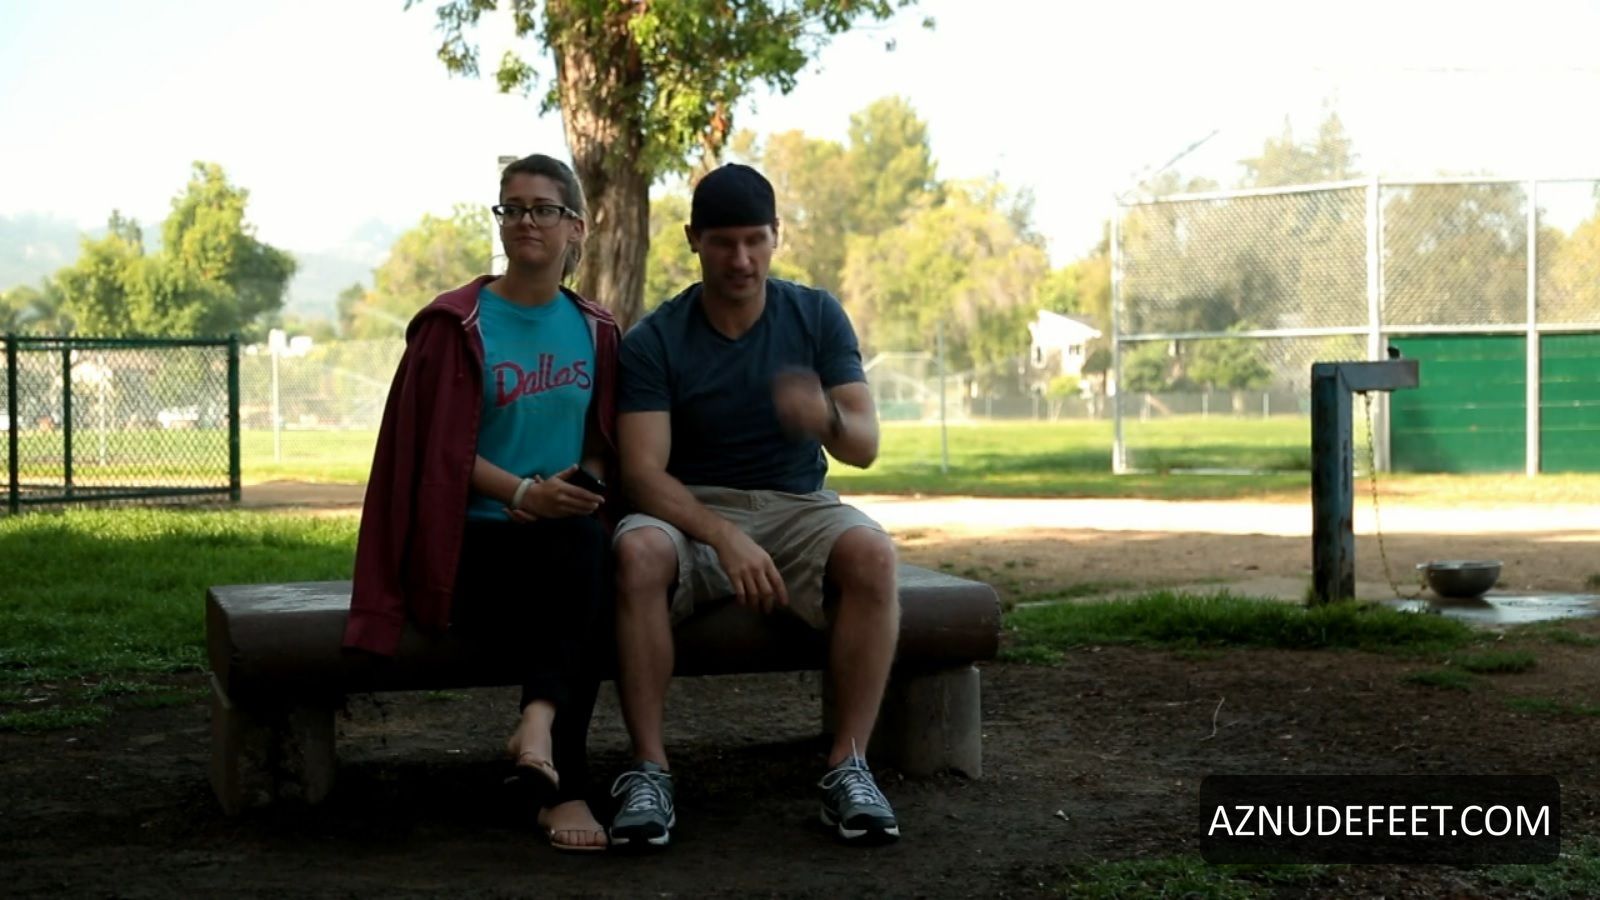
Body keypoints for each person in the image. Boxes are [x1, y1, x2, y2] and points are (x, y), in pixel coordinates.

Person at [607, 163, 901, 848]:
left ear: (775, 236)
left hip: (796, 504)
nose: (740, 259)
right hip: (690, 508)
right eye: (723, 242)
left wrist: (824, 416)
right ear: (693, 239)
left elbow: (863, 446)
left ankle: (848, 767)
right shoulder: (656, 339)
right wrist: (725, 537)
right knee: (636, 550)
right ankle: (649, 770)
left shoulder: (815, 314)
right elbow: (642, 474)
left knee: (873, 553)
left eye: (754, 240)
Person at [343, 154, 620, 852]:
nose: (526, 221)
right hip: (464, 550)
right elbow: (433, 450)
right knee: (582, 581)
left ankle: (538, 731)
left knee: (590, 552)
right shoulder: (455, 324)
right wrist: (523, 492)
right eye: (512, 208)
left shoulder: (595, 329)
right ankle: (564, 784)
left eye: (544, 208)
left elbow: (601, 442)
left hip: (558, 539)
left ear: (576, 227)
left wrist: (572, 493)